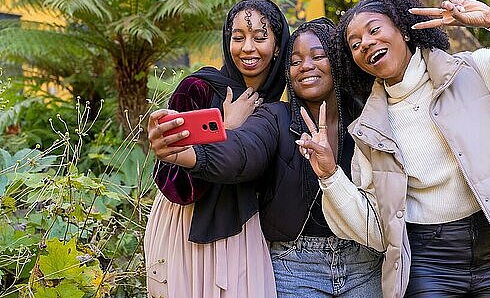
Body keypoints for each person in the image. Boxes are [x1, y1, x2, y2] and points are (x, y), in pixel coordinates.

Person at [296, 0, 490, 297]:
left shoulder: (472, 74)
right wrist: (330, 176)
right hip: (429, 264)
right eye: (354, 45)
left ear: (405, 31)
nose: (365, 44)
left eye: (374, 30)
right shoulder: (369, 130)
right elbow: (375, 227)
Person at [151, 18, 384, 297]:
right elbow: (242, 152)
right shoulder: (275, 117)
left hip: (365, 263)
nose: (306, 66)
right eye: (295, 61)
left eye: (318, 56)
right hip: (295, 267)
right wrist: (188, 154)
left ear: (338, 61)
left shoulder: (367, 118)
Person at [144, 0, 290, 298]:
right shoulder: (198, 87)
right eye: (238, 38)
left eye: (260, 37)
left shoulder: (278, 107)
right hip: (185, 227)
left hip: (244, 233)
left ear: (277, 46)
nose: (247, 48)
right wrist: (228, 129)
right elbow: (173, 183)